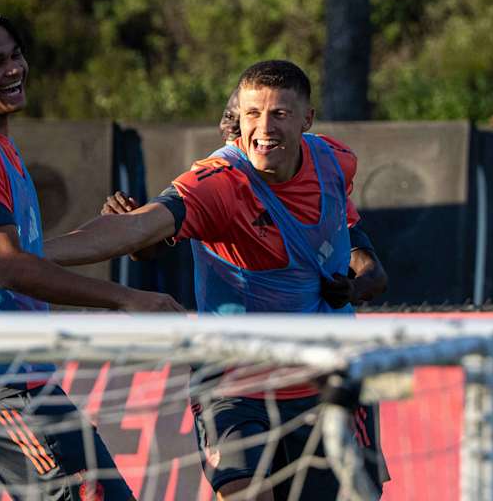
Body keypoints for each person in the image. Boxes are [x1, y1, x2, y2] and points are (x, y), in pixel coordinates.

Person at [44, 60, 387, 500]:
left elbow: (357, 252)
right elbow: (138, 229)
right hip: (235, 383)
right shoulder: (218, 182)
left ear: (308, 119)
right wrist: (26, 256)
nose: (264, 128)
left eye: (280, 114)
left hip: (325, 380)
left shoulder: (336, 162)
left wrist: (358, 283)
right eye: (251, 115)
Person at [0, 11, 183, 500]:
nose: (14, 69)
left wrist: (112, 233)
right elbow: (10, 266)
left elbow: (26, 255)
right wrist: (125, 299)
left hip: (21, 378)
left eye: (16, 55)